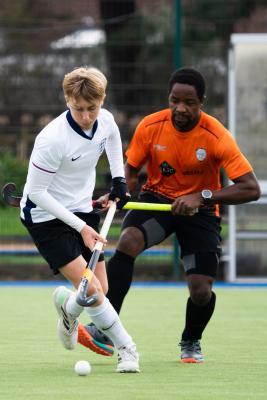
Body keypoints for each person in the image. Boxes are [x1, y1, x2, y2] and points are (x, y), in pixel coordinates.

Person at [85, 67, 261, 363]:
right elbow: (129, 171)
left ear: (201, 102)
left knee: (201, 289)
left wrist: (202, 196)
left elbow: (251, 188)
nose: (180, 108)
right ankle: (105, 329)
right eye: (174, 100)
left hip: (200, 212)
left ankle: (191, 339)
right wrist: (120, 192)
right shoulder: (151, 126)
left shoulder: (216, 136)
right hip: (159, 203)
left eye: (189, 102)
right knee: (128, 241)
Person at [20, 66, 140, 373]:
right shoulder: (51, 140)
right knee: (93, 291)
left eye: (92, 109)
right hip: (46, 215)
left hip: (81, 208)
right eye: (78, 109)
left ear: (102, 100)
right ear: (66, 99)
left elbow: (112, 139)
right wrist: (82, 227)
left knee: (101, 287)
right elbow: (36, 192)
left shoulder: (106, 120)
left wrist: (118, 181)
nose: (86, 116)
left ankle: (67, 309)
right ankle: (127, 349)